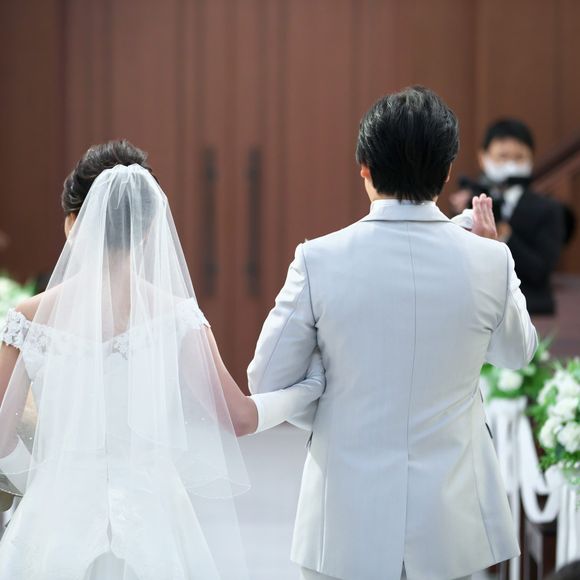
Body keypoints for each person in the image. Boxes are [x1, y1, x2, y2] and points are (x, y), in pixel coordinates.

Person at [248, 87, 538, 580]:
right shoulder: (489, 260)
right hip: (450, 519)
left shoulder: (318, 259)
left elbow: (267, 381)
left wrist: (333, 406)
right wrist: (497, 261)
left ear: (364, 167)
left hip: (344, 512)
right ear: (446, 171)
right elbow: (516, 354)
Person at [0, 140, 324, 579]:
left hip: (57, 521)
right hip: (151, 522)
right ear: (150, 229)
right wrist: (304, 392)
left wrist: (44, 481)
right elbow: (240, 418)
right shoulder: (177, 318)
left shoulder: (28, 319)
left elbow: (1, 438)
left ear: (73, 224)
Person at [450, 118, 565, 315]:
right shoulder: (472, 202)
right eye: (502, 156)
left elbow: (541, 271)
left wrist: (505, 234)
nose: (510, 164)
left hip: (530, 309)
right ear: (483, 157)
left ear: (531, 159)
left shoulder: (549, 209)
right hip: (477, 308)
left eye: (519, 157)